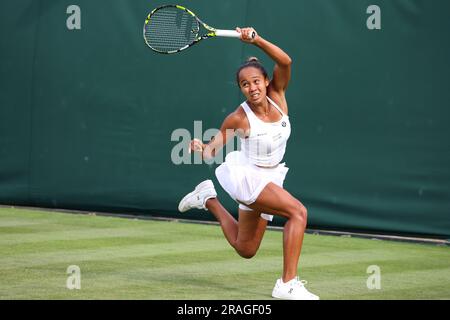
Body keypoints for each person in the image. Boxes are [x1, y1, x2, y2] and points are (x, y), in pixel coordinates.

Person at [178, 27, 319, 300]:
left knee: (246, 248)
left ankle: (208, 199)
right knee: (298, 212)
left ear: (266, 81)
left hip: (272, 176)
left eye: (256, 81)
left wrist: (257, 40)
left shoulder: (278, 96)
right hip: (249, 177)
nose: (252, 88)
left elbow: (286, 61)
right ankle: (286, 284)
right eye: (245, 84)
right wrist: (201, 148)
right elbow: (212, 151)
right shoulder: (237, 118)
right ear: (240, 88)